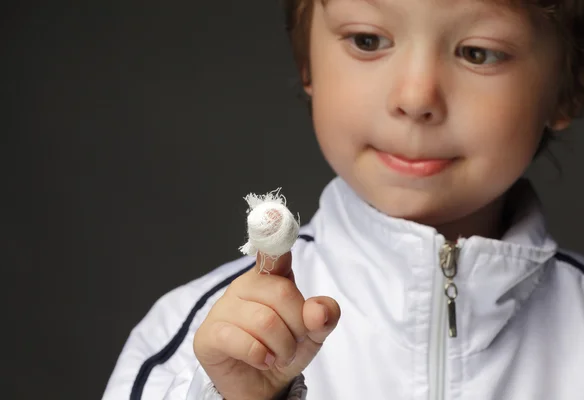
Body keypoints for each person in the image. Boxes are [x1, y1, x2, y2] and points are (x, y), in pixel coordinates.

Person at [102, 0, 584, 399]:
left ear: (567, 89)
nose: (415, 97)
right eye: (367, 41)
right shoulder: (196, 346)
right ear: (307, 63)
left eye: (478, 53)